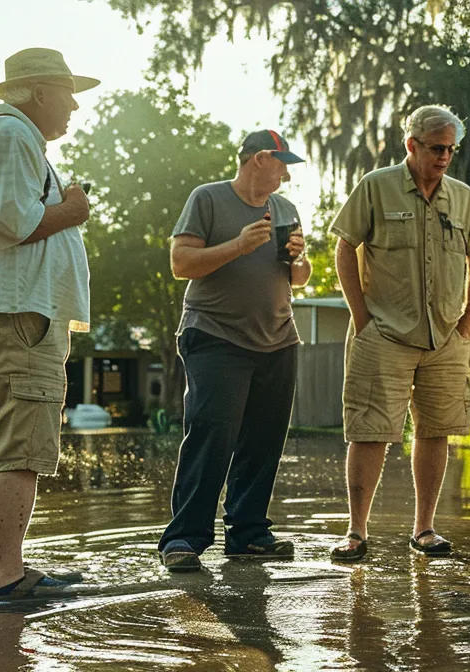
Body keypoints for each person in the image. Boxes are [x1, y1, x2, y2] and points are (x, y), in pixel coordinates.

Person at [0, 47, 98, 602]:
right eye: (68, 92)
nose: (75, 106)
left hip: (0, 316)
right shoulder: (11, 137)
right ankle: (8, 579)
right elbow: (3, 223)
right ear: (39, 92)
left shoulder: (8, 138)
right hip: (14, 319)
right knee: (19, 453)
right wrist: (72, 210)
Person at [328, 105, 470, 562]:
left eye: (450, 150)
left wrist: (469, 319)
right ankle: (356, 531)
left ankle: (424, 529)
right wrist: (361, 318)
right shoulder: (376, 187)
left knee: (436, 429)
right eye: (436, 148)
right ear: (412, 145)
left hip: (446, 337)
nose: (444, 157)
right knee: (370, 431)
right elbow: (345, 246)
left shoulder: (462, 198)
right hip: (382, 333)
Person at [158, 130, 311, 572]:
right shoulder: (207, 198)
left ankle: (248, 534)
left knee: (264, 440)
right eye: (282, 162)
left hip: (278, 336)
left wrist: (300, 259)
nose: (286, 172)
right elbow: (181, 263)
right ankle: (184, 538)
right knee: (212, 434)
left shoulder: (286, 209)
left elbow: (298, 277)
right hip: (215, 334)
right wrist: (240, 245)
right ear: (260, 158)